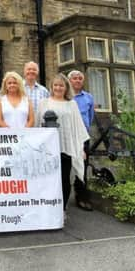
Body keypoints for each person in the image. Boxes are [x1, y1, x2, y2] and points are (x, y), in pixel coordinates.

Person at [37, 74, 89, 212]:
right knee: (48, 179)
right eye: (56, 85)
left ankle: (62, 209)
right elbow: (37, 125)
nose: (58, 88)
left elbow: (78, 126)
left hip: (65, 147)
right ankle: (48, 209)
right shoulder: (44, 103)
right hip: (47, 149)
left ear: (66, 88)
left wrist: (81, 148)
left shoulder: (71, 104)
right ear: (51, 87)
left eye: (61, 85)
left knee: (64, 179)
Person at [68, 69, 95, 211]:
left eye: (80, 78)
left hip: (82, 136)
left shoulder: (88, 97)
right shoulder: (66, 97)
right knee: (66, 165)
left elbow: (90, 117)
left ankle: (82, 197)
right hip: (68, 135)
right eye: (74, 78)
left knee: (82, 166)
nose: (77, 80)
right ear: (70, 81)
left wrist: (84, 131)